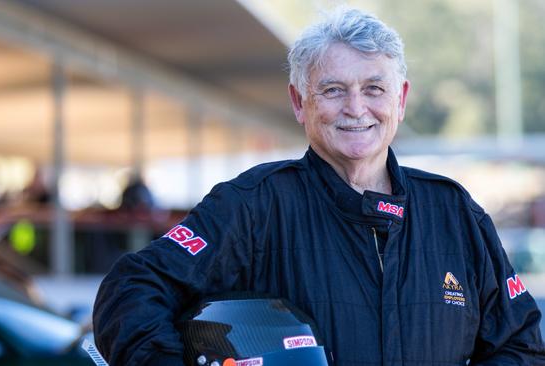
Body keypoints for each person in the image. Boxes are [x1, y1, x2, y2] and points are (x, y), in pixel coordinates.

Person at [93, 7, 545, 365]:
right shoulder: (254, 205)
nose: (355, 108)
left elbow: (522, 343)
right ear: (299, 102)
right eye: (332, 90)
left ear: (401, 100)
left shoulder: (454, 213)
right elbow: (131, 289)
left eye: (373, 88)